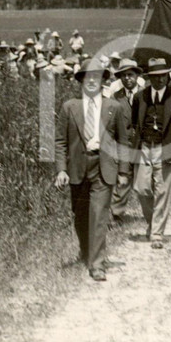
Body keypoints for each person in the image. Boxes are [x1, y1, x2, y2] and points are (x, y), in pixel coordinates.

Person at [54, 59, 131, 282]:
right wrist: (61, 170)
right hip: (78, 167)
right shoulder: (70, 107)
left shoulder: (113, 107)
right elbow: (60, 141)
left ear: (102, 81)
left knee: (99, 215)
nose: (91, 82)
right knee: (80, 216)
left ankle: (97, 264)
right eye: (87, 78)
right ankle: (86, 252)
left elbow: (122, 142)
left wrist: (124, 172)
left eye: (96, 78)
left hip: (103, 166)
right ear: (81, 82)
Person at [131, 58, 171, 249]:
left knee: (163, 190)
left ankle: (156, 233)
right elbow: (135, 122)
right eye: (155, 77)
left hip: (166, 148)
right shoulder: (140, 97)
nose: (159, 80)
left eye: (162, 76)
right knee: (142, 188)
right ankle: (152, 221)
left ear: (168, 77)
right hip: (145, 147)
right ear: (149, 78)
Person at [109, 59, 142, 223]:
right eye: (124, 76)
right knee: (123, 177)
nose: (127, 78)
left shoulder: (146, 93)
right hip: (124, 145)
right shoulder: (115, 97)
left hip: (144, 144)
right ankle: (117, 214)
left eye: (130, 75)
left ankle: (153, 213)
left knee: (148, 180)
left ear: (137, 76)